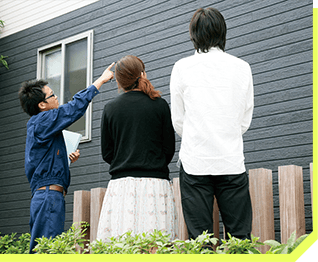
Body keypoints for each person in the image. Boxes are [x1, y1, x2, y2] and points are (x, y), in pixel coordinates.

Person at [170, 7, 254, 241]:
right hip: (231, 160)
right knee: (240, 239)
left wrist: (199, 135)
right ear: (222, 33)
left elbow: (178, 120)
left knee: (201, 241)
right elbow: (244, 119)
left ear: (194, 35)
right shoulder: (242, 67)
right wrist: (226, 134)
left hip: (195, 161)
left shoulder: (181, 68)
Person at [18, 63, 114, 253]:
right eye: (52, 95)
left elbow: (41, 161)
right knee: (47, 251)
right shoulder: (43, 120)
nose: (57, 98)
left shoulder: (40, 125)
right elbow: (73, 108)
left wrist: (65, 159)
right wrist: (100, 81)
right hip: (49, 196)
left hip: (47, 195)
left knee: (44, 249)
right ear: (42, 104)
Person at [97, 55, 178, 241]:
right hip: (156, 185)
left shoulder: (110, 108)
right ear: (143, 74)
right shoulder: (160, 105)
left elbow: (107, 152)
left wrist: (125, 160)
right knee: (157, 245)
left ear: (118, 80)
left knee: (120, 245)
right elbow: (169, 148)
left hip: (121, 187)